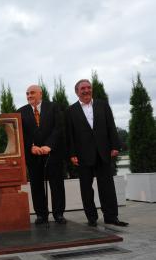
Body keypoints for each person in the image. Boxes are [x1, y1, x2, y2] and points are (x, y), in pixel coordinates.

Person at [66, 79, 128, 227]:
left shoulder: (103, 105)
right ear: (77, 92)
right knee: (86, 188)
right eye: (83, 89)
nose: (86, 90)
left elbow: (111, 126)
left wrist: (115, 146)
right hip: (82, 155)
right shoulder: (70, 110)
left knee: (107, 187)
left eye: (88, 88)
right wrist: (72, 154)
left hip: (103, 152)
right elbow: (69, 134)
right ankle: (92, 218)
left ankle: (111, 217)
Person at [18, 85, 67, 225]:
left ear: (40, 93)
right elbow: (21, 135)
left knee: (56, 184)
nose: (29, 96)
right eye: (27, 93)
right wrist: (31, 147)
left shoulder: (53, 107)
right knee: (36, 186)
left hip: (53, 154)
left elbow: (59, 128)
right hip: (33, 156)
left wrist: (49, 145)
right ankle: (41, 215)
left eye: (32, 93)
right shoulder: (21, 112)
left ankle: (58, 214)